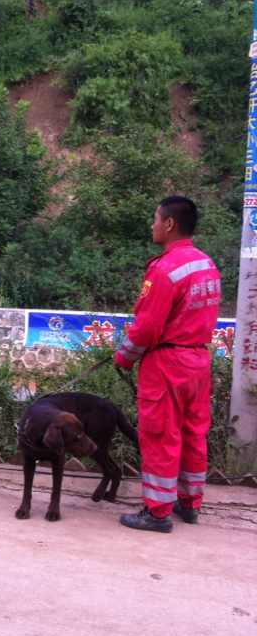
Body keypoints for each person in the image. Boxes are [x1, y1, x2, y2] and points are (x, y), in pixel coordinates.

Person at [114, 196, 221, 533]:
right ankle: (190, 504)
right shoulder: (207, 265)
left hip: (167, 363)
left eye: (155, 219)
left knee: (160, 434)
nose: (152, 225)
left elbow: (146, 327)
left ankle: (157, 512)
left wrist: (125, 357)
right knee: (193, 433)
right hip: (198, 362)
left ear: (169, 224)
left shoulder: (166, 269)